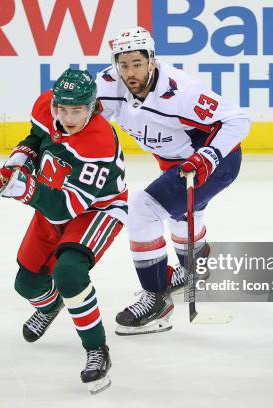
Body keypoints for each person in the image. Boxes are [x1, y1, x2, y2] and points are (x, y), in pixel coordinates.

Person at [95, 27, 251, 336]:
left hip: (214, 163)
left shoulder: (181, 91)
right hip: (176, 162)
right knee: (181, 215)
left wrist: (208, 156)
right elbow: (90, 121)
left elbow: (238, 120)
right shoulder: (110, 83)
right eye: (123, 64)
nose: (130, 72)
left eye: (137, 63)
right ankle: (196, 267)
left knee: (143, 207)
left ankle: (156, 300)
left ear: (152, 60)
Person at [0, 68, 127, 394]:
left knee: (69, 272)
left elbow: (66, 208)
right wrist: (17, 166)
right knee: (27, 283)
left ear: (92, 106)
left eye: (76, 110)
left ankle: (97, 348)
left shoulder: (98, 141)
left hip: (94, 210)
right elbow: (36, 139)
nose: (67, 117)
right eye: (62, 109)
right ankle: (51, 305)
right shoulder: (47, 108)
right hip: (51, 195)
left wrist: (25, 190)